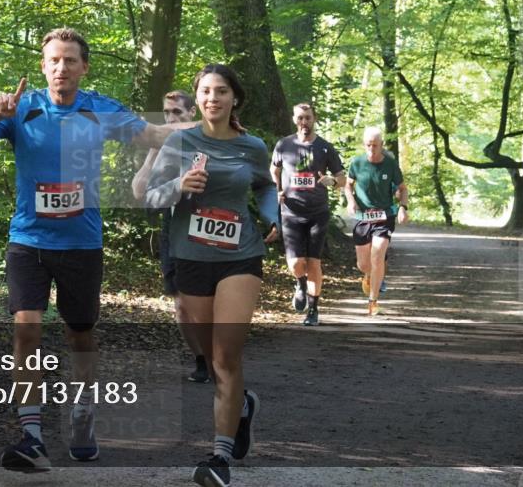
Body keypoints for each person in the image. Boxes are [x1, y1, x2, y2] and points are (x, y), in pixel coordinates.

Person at [0, 27, 179, 471]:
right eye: (54, 60)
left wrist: (213, 127)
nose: (61, 68)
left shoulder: (100, 109)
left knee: (80, 335)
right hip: (28, 240)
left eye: (70, 60)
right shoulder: (22, 108)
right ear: (44, 66)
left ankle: (82, 414)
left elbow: (155, 135)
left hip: (81, 242)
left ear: (83, 67)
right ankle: (32, 436)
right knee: (27, 330)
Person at [144, 64, 279, 487]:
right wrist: (180, 185)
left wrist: (274, 216)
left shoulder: (253, 146)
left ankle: (219, 457)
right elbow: (150, 197)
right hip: (191, 256)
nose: (213, 98)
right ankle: (241, 407)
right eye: (205, 91)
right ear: (197, 98)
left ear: (234, 98)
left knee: (225, 356)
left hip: (240, 255)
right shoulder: (180, 142)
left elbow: (265, 186)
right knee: (206, 351)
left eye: (221, 91)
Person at [131, 90, 209, 382]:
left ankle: (219, 354)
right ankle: (202, 360)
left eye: (177, 112)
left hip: (207, 227)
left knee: (206, 303)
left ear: (192, 113)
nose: (170, 118)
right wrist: (154, 146)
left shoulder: (204, 135)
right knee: (181, 304)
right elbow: (139, 191)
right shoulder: (166, 146)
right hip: (174, 228)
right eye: (166, 113)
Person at [270, 103, 346, 326]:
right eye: (300, 118)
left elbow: (342, 178)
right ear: (295, 120)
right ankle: (300, 284)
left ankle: (313, 310)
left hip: (318, 213)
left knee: (314, 263)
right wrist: (277, 190)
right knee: (295, 264)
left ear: (315, 119)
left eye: (308, 118)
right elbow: (274, 169)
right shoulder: (284, 145)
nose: (304, 122)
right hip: (291, 212)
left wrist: (331, 181)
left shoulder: (324, 148)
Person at [344, 126, 409, 316]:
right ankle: (370, 274)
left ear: (381, 145)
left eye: (375, 145)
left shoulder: (390, 164)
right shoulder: (356, 163)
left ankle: (373, 300)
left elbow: (403, 188)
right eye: (368, 145)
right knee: (364, 265)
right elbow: (348, 185)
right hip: (362, 217)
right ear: (364, 145)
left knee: (378, 254)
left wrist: (403, 208)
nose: (372, 149)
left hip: (385, 216)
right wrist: (351, 201)